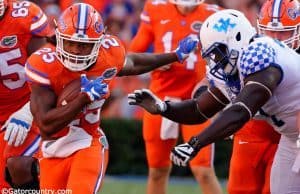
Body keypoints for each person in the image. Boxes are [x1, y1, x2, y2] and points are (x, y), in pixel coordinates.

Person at [24, 3, 198, 193]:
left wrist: (175, 55)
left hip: (87, 142)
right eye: (70, 43)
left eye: (83, 45)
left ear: (99, 43)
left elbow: (133, 63)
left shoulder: (108, 55)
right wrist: (84, 98)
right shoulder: (43, 64)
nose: (75, 50)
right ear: (59, 38)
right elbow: (46, 125)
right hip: (51, 149)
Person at [128, 9, 300, 194]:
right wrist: (164, 108)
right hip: (292, 138)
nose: (214, 61)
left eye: (217, 53)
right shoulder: (238, 65)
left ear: (237, 38)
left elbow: (240, 111)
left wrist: (196, 143)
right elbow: (199, 109)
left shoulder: (259, 54)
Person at [128, 1, 223, 194]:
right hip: (159, 98)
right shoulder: (155, 8)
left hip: (197, 101)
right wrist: (155, 60)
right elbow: (134, 52)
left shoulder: (215, 14)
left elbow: (226, 57)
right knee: (157, 170)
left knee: (203, 170)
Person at [225, 0, 300, 193]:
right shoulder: (249, 49)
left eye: (284, 32)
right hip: (252, 130)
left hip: (288, 137)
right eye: (270, 31)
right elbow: (215, 84)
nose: (276, 38)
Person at [0, 0, 52, 189]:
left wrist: (28, 111)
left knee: (19, 166)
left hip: (28, 106)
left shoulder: (25, 17)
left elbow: (49, 71)